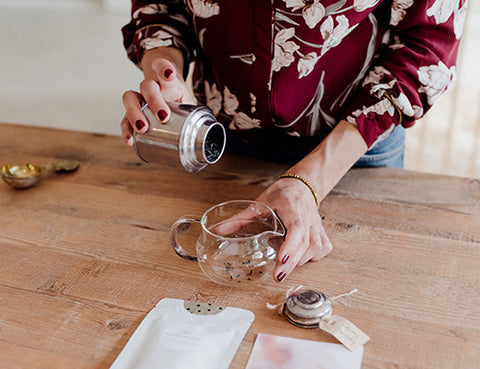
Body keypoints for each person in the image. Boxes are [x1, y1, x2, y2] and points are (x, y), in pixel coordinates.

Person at [120, 0, 466, 283]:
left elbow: (428, 40)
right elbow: (160, 7)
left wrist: (309, 181)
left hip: (351, 146)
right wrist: (164, 70)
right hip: (222, 137)